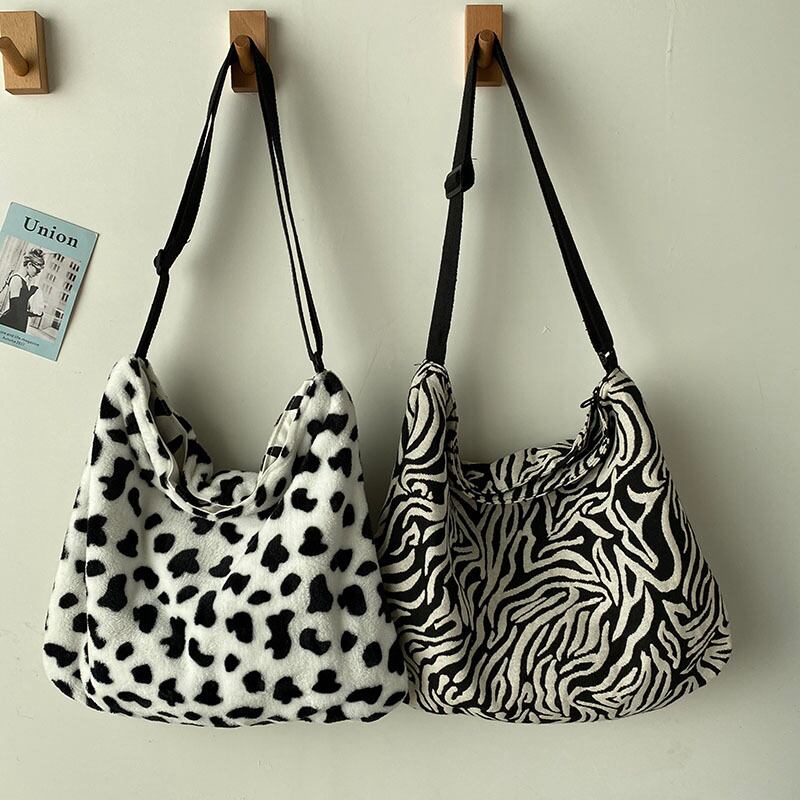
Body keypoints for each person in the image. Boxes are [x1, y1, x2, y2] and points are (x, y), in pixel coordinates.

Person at [0, 248, 46, 332]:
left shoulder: (24, 282)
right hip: (11, 322)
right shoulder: (17, 279)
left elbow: (21, 307)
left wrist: (36, 312)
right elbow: (15, 308)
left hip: (19, 322)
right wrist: (31, 295)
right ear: (29, 265)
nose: (37, 273)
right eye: (37, 270)